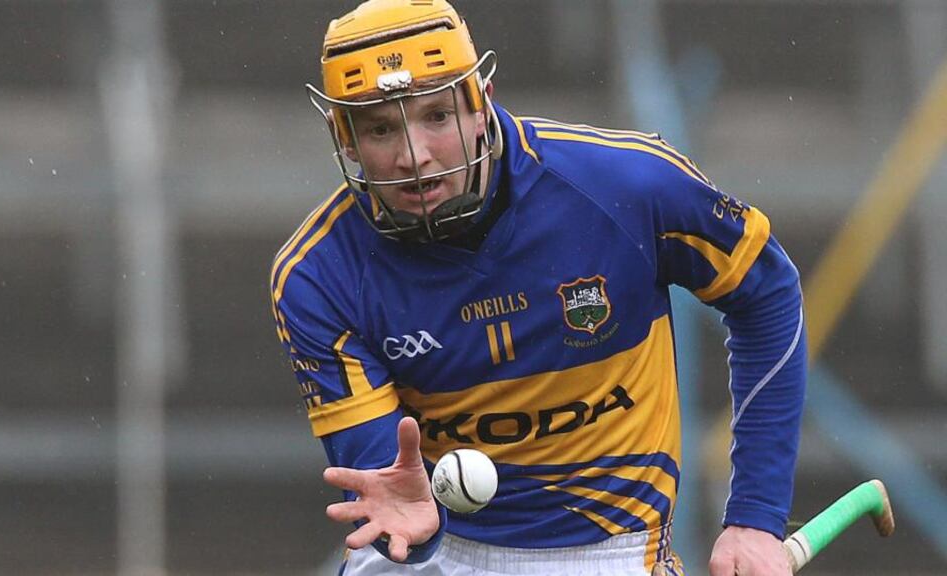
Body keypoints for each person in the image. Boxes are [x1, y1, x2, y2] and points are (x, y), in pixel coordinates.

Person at [270, 0, 806, 574]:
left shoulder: (628, 184)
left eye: (437, 116)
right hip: (434, 556)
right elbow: (395, 511)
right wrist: (410, 528)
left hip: (608, 549)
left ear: (481, 102)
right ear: (345, 138)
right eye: (380, 128)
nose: (414, 156)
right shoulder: (316, 276)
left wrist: (755, 516)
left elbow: (767, 294)